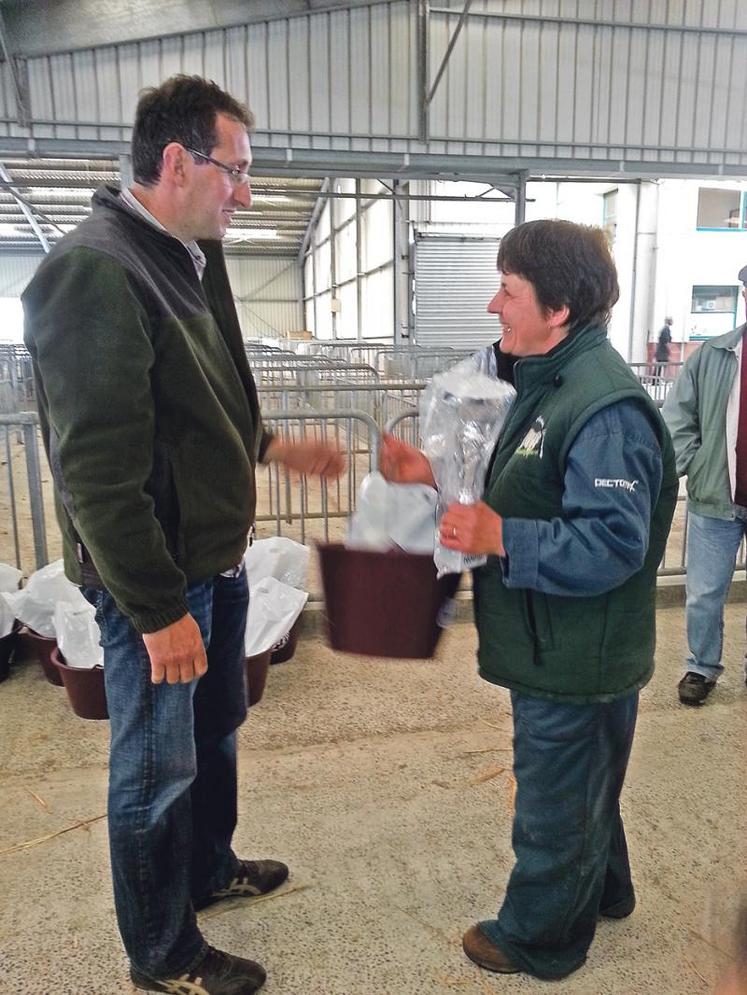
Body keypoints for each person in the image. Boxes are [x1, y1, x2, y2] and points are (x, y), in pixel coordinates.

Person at [22, 75, 344, 995]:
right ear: (177, 161)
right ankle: (161, 953)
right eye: (234, 171)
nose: (245, 193)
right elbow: (97, 473)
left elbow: (204, 401)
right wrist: (158, 610)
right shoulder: (96, 268)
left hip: (214, 558)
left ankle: (209, 869)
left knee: (214, 731)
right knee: (156, 766)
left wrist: (278, 446)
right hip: (156, 579)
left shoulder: (189, 251)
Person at [380, 219, 678, 981]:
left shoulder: (603, 407)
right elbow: (518, 486)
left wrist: (502, 536)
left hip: (574, 650)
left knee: (553, 799)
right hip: (555, 638)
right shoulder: (544, 380)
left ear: (557, 308)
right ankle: (605, 890)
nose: (492, 305)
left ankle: (540, 936)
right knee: (587, 780)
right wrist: (436, 481)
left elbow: (613, 542)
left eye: (508, 291)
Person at [662, 265, 747, 706]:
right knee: (704, 592)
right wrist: (692, 466)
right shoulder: (715, 355)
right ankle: (702, 666)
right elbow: (678, 420)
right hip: (717, 496)